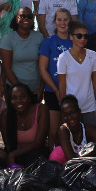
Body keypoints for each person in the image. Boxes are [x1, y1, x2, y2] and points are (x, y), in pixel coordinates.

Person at [38, 8, 73, 145]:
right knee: (54, 131)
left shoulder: (74, 40)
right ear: (54, 22)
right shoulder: (48, 42)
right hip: (52, 91)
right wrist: (57, 90)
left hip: (72, 92)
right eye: (59, 19)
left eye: (65, 19)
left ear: (70, 21)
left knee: (70, 129)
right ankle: (53, 160)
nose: (62, 23)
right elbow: (42, 69)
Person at [57, 20, 96, 126]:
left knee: (91, 140)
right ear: (71, 37)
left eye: (86, 36)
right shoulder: (63, 58)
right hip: (71, 109)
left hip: (90, 107)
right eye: (79, 36)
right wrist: (63, 110)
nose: (83, 39)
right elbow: (62, 85)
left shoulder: (93, 55)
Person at [0, 83, 49, 166]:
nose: (19, 101)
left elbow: (38, 142)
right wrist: (12, 156)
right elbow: (8, 144)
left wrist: (14, 154)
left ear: (29, 98)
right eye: (14, 98)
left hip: (36, 152)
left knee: (33, 159)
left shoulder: (41, 109)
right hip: (14, 152)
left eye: (23, 97)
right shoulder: (5, 114)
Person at [49, 95, 96, 164]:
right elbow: (71, 160)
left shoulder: (89, 129)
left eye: (72, 113)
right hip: (61, 166)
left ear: (79, 112)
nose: (70, 117)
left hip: (80, 164)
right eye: (66, 115)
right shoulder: (63, 131)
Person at [0, 7, 43, 94]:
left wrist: (41, 89)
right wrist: (19, 89)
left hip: (35, 89)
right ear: (16, 19)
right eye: (22, 16)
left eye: (29, 16)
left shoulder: (39, 37)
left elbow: (43, 66)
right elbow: (6, 68)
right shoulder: (8, 39)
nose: (26, 18)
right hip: (14, 90)